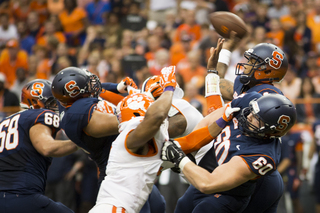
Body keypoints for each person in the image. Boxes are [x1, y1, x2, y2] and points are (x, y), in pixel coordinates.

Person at [51, 67, 165, 213]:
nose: (93, 84)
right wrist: (143, 101)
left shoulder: (69, 101)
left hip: (131, 163)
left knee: (158, 204)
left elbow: (96, 90)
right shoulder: (78, 113)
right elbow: (124, 122)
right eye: (87, 84)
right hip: (119, 173)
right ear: (78, 93)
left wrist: (116, 87)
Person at [162, 92, 297, 213]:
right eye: (253, 111)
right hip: (204, 178)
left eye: (257, 119)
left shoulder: (261, 155)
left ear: (271, 131)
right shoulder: (250, 101)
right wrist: (191, 149)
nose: (249, 116)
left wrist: (180, 159)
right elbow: (208, 121)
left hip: (225, 196)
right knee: (181, 207)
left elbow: (208, 184)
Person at [89, 66, 176, 213]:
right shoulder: (131, 136)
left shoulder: (138, 132)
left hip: (116, 207)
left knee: (158, 203)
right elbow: (158, 116)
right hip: (115, 209)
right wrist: (168, 88)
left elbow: (189, 141)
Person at [0, 79, 78, 213]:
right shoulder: (39, 115)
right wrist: (80, 142)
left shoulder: (4, 122)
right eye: (52, 102)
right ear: (35, 102)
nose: (56, 107)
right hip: (22, 195)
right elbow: (47, 147)